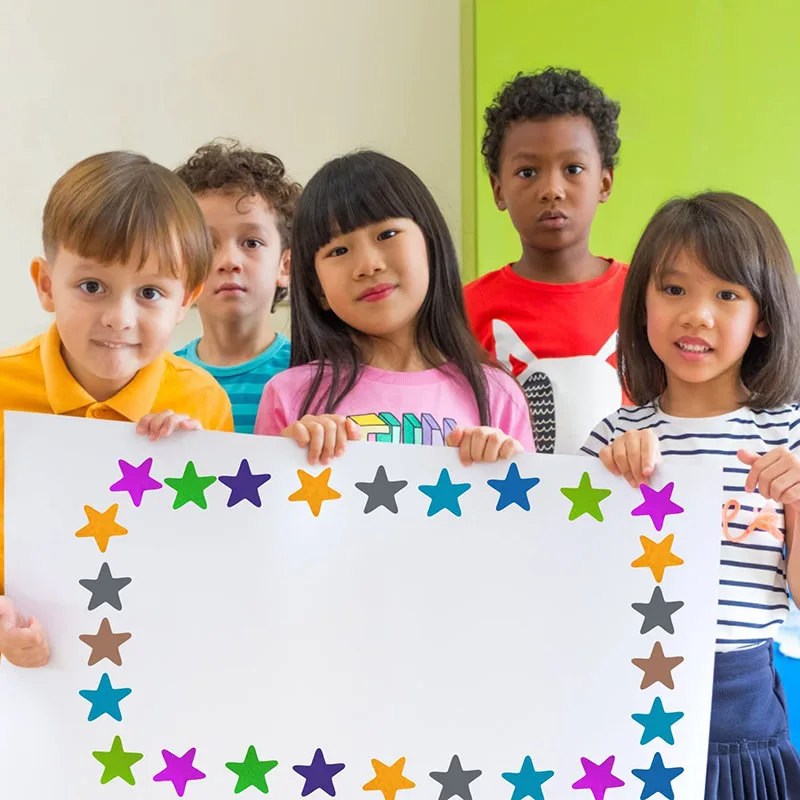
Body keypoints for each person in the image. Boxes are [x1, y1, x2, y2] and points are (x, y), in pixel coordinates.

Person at [582, 192, 800, 798]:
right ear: (641, 303)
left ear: (763, 315)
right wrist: (606, 485)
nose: (697, 314)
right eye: (673, 290)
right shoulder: (608, 441)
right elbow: (574, 587)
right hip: (619, 719)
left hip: (742, 720)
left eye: (727, 295)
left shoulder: (789, 436)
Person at [0, 151, 234, 668]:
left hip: (146, 668)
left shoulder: (200, 402)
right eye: (91, 286)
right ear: (45, 285)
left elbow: (215, 561)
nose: (119, 318)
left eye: (150, 292)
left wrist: (189, 476)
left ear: (186, 300)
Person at [254, 150, 534, 464]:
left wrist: (502, 465)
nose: (368, 265)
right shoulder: (289, 396)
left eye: (387, 234)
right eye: (339, 250)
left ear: (432, 247)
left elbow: (529, 511)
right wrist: (290, 457)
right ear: (317, 288)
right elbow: (265, 511)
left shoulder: (497, 394)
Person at [465, 68, 627, 454]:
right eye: (527, 172)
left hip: (635, 511)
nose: (551, 190)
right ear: (498, 188)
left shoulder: (651, 297)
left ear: (604, 182)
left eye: (572, 169)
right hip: (511, 507)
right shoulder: (464, 309)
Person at [175, 140, 300, 433]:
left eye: (251, 243)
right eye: (208, 244)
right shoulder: (158, 380)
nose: (229, 261)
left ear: (285, 267)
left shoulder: (314, 378)